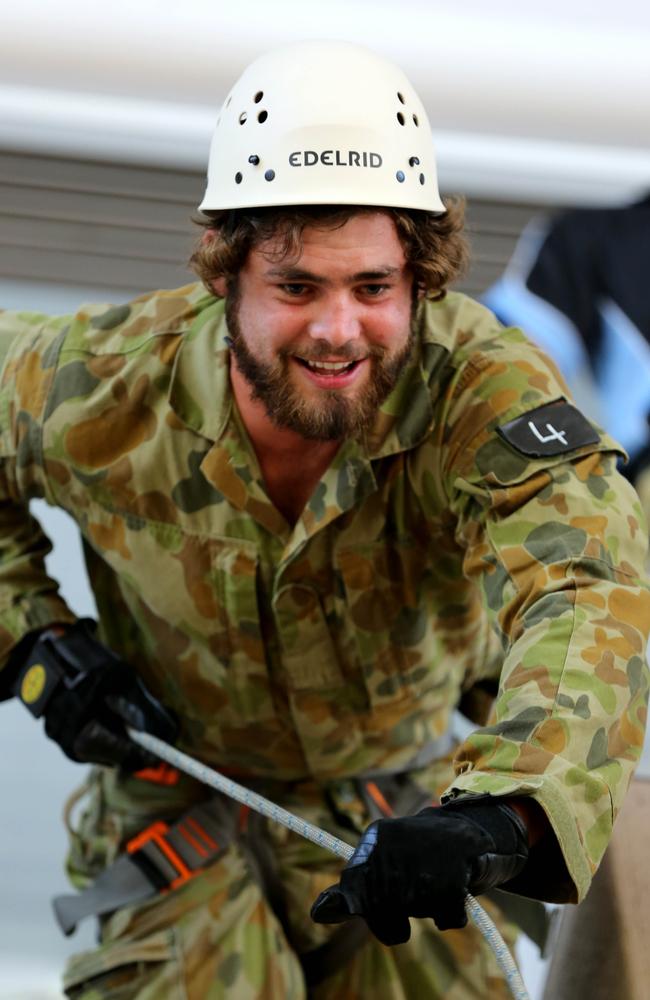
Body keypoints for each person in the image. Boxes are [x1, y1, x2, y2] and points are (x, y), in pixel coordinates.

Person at [0, 40, 647, 1000]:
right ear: (226, 274)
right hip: (180, 807)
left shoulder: (478, 390)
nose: (339, 330)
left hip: (415, 821)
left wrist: (501, 817)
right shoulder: (101, 383)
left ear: (420, 279)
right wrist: (35, 637)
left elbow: (590, 588)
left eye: (374, 288)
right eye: (297, 287)